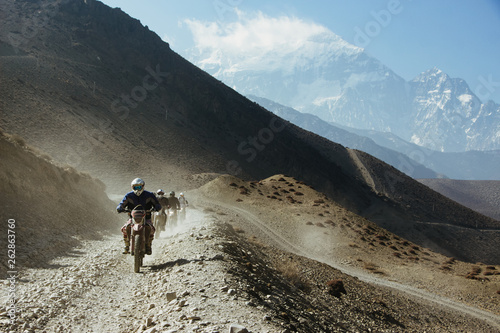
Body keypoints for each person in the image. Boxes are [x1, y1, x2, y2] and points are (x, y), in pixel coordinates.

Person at [117, 178, 161, 255]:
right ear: (132, 187)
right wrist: (120, 208)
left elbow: (157, 203)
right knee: (125, 227)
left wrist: (156, 207)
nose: (137, 189)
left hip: (146, 217)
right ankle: (127, 245)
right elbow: (122, 203)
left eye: (139, 187)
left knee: (150, 228)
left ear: (143, 186)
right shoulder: (129, 195)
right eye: (135, 187)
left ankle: (148, 245)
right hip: (133, 218)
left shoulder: (149, 195)